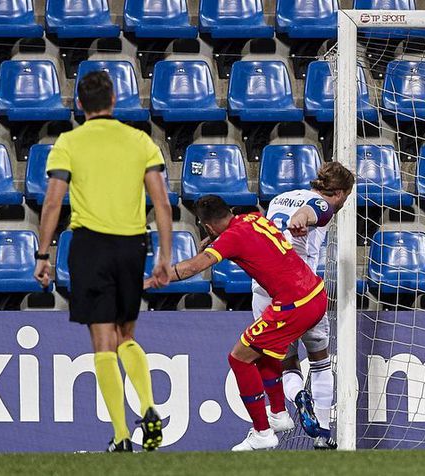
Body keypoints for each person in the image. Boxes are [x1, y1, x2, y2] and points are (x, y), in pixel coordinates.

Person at [33, 71, 173, 452]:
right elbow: (161, 202)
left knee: (101, 342)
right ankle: (147, 406)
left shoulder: (69, 143)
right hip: (132, 245)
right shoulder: (140, 140)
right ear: (114, 100)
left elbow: (51, 201)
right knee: (126, 335)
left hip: (91, 245)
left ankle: (123, 435)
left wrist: (43, 255)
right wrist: (165, 255)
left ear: (79, 104)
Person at [145, 194, 331, 451]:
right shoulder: (252, 218)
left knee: (239, 357)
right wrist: (216, 239)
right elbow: (248, 237)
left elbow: (191, 268)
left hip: (294, 305)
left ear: (207, 225)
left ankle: (263, 432)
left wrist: (151, 280)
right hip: (314, 294)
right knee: (263, 350)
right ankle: (278, 414)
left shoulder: (232, 238)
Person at [252, 162, 354, 450]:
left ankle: (298, 398)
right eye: (346, 196)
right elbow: (315, 211)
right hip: (300, 292)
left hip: (264, 290)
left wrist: (299, 214)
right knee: (320, 361)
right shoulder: (323, 204)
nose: (344, 203)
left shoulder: (277, 199)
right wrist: (303, 217)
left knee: (284, 362)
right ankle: (323, 433)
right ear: (338, 192)